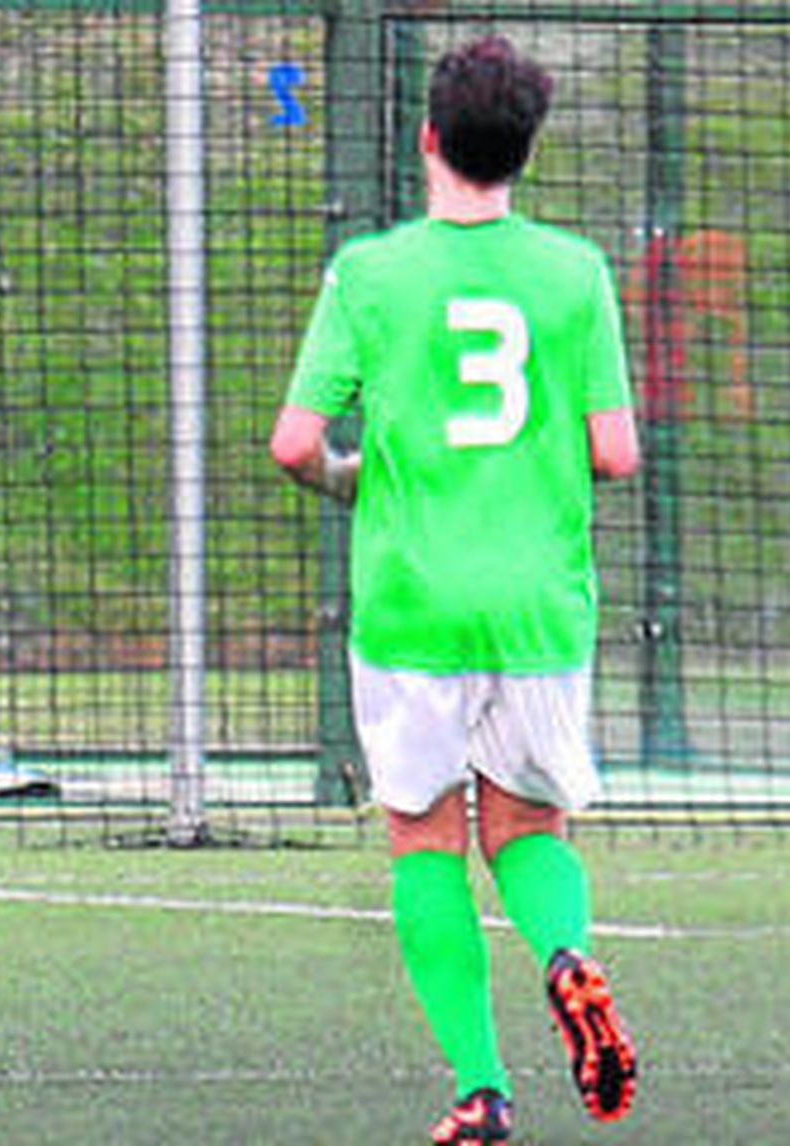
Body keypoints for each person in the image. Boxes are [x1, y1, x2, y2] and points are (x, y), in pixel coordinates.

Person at [270, 37, 641, 1145]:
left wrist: (350, 481)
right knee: (528, 823)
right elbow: (615, 452)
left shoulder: (370, 275)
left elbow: (293, 442)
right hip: (535, 605)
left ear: (426, 138)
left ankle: (481, 1092)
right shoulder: (573, 273)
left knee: (424, 838)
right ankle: (567, 957)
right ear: (524, 148)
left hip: (408, 606)